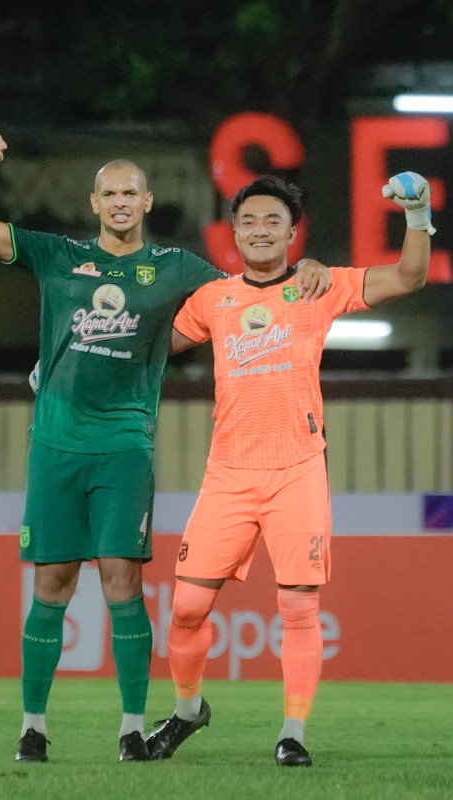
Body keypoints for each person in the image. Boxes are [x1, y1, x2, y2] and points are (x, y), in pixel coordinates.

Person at [0, 133, 332, 764]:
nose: (121, 201)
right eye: (111, 193)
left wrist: (308, 272)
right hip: (55, 442)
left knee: (123, 581)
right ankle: (33, 727)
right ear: (95, 202)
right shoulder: (57, 256)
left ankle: (131, 726)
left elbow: (251, 294)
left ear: (147, 201)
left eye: (132, 191)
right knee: (52, 583)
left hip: (127, 444)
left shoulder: (177, 269)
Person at [145, 172, 434, 766]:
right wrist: (63, 363)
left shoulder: (317, 286)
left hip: (297, 470)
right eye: (248, 221)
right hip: (227, 473)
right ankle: (188, 709)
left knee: (299, 607)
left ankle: (293, 733)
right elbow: (147, 352)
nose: (259, 230)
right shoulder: (213, 300)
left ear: (292, 233)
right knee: (187, 609)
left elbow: (410, 275)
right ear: (234, 233)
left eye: (272, 221)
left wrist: (418, 214)